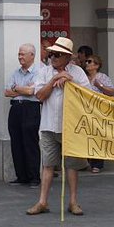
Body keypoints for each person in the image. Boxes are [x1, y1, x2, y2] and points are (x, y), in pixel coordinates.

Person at [27, 37, 92, 216]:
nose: (52, 57)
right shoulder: (44, 72)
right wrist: (54, 79)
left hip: (70, 126)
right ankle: (42, 201)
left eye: (57, 54)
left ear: (67, 57)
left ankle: (73, 201)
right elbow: (39, 96)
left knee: (71, 165)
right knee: (47, 164)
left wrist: (69, 81)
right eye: (51, 54)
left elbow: (87, 96)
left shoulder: (77, 72)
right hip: (48, 125)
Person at [4, 43, 42, 186]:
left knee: (30, 142)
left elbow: (32, 92)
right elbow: (7, 91)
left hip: (30, 108)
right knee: (16, 142)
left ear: (32, 55)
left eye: (22, 54)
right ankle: (21, 176)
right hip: (15, 109)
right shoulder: (16, 72)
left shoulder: (39, 71)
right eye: (19, 54)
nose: (20, 57)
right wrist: (23, 89)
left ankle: (34, 177)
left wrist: (17, 89)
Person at [80, 54, 114, 173]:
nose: (87, 64)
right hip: (85, 109)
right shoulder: (83, 77)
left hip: (99, 110)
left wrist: (99, 85)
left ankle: (98, 164)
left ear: (97, 65)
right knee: (87, 136)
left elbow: (111, 92)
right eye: (86, 62)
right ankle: (88, 161)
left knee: (98, 136)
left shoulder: (102, 77)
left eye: (90, 62)